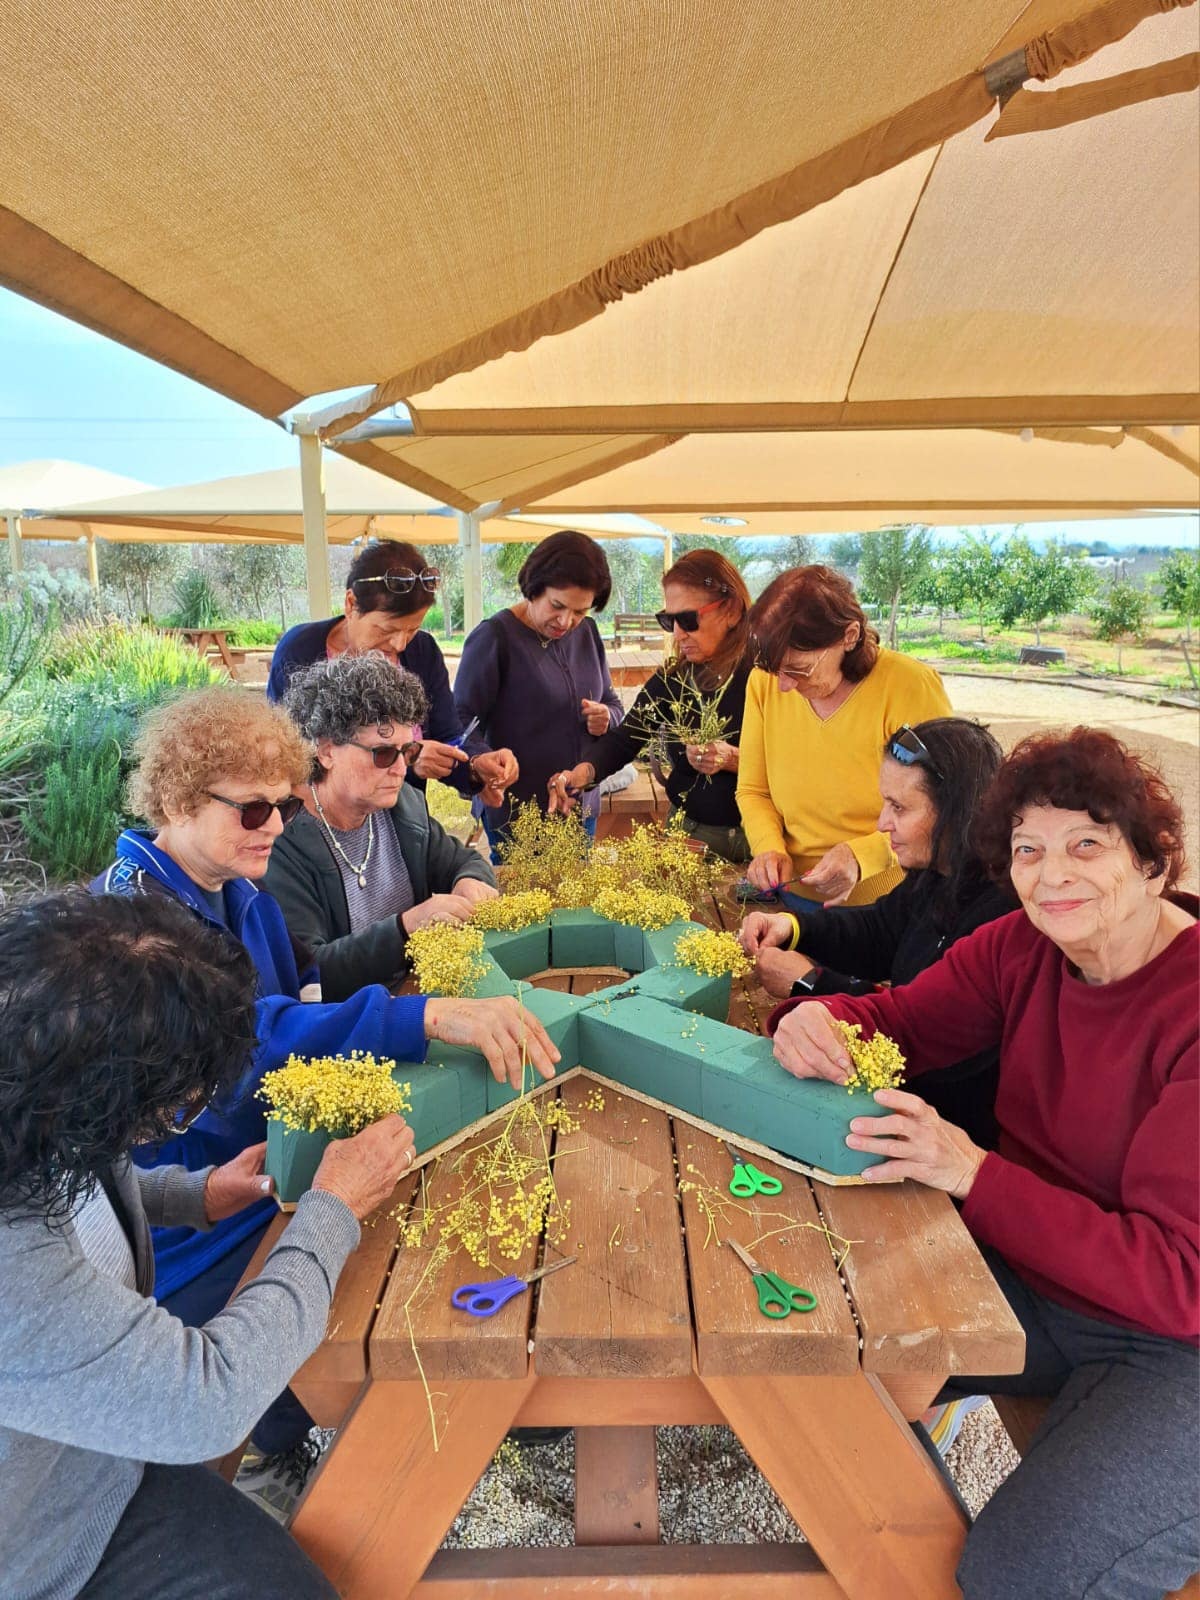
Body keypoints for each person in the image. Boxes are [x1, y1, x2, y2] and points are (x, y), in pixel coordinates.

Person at [90, 688, 557, 1506]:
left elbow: (301, 995)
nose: (275, 824)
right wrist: (426, 1014)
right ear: (173, 799)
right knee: (380, 1258)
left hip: (265, 1147)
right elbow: (244, 1038)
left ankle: (378, 1413)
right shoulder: (134, 914)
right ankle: (304, 1437)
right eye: (252, 808)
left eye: (284, 800)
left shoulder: (239, 890)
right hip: (185, 1208)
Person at [770, 728, 1199, 1600]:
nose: (1052, 873)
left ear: (1155, 865)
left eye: (1088, 845)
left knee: (1016, 1574)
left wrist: (971, 1172)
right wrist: (815, 1023)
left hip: (1175, 1342)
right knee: (814, 1363)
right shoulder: (1022, 947)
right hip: (1039, 1283)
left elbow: (1176, 1281)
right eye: (1028, 850)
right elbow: (902, 1021)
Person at [0, 890, 417, 1600]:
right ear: (96, 1097)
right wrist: (332, 1209)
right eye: (176, 1109)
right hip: (45, 1550)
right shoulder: (14, 1280)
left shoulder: (34, 1085)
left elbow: (84, 1195)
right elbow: (213, 1398)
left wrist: (191, 1193)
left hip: (99, 1460)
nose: (173, 1122)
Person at [739, 717, 1013, 1147]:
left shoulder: (1002, 912)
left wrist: (808, 983)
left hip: (945, 1136)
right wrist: (793, 927)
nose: (882, 823)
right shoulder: (941, 871)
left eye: (900, 808)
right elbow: (878, 929)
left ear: (958, 813)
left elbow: (923, 1033)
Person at [265, 653, 499, 1001]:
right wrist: (405, 929)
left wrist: (470, 882)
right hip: (346, 1028)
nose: (401, 769)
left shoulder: (401, 805)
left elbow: (461, 860)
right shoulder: (276, 838)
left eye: (407, 752)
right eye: (383, 754)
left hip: (413, 997)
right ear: (326, 751)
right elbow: (310, 973)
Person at [739, 564, 951, 907]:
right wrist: (768, 848)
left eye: (798, 669)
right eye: (775, 670)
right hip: (797, 895)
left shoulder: (909, 685)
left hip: (891, 901)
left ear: (849, 636)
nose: (784, 685)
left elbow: (940, 805)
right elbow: (753, 790)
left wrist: (861, 856)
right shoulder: (764, 685)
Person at [267, 538, 518, 806]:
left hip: (401, 818)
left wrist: (476, 763)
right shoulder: (300, 650)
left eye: (412, 630)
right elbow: (288, 752)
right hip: (320, 817)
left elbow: (448, 734)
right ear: (351, 604)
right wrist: (408, 757)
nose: (399, 644)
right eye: (386, 630)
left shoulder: (422, 652)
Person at [547, 549, 753, 862]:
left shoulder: (771, 676)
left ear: (733, 611)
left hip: (763, 840)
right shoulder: (675, 678)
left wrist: (736, 759)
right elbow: (627, 737)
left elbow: (798, 761)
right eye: (669, 621)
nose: (678, 633)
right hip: (690, 835)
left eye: (687, 619)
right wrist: (580, 774)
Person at [453, 529, 624, 847]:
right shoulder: (495, 638)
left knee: (578, 896)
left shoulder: (587, 633)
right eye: (557, 605)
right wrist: (483, 761)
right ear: (533, 588)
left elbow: (612, 701)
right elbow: (460, 719)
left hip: (580, 805)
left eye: (580, 611)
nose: (566, 621)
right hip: (519, 814)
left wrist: (607, 716)